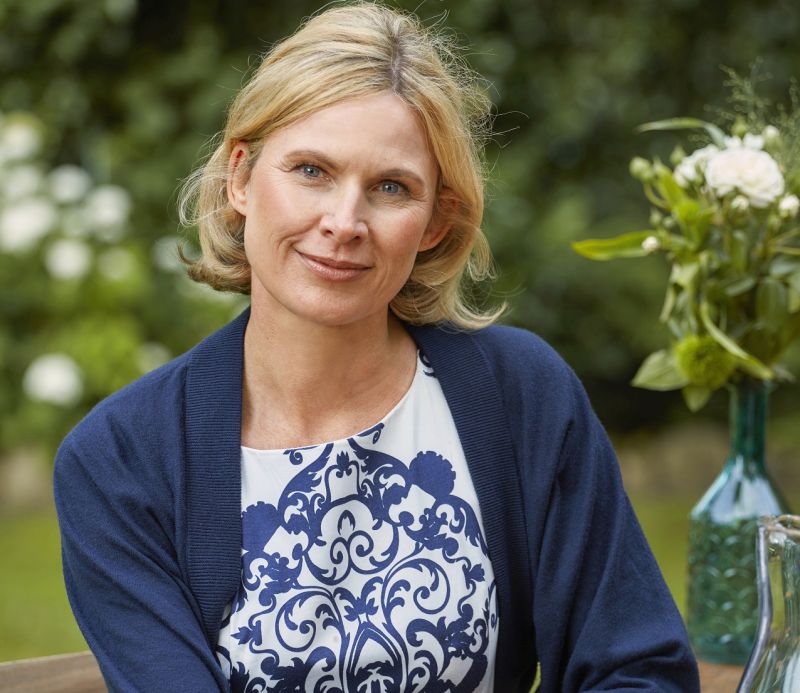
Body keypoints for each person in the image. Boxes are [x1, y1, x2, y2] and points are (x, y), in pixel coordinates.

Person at [54, 2, 700, 691]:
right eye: (311, 170)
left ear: (434, 220)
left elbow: (640, 668)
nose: (344, 221)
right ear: (241, 178)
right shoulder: (118, 462)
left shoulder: (522, 395)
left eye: (391, 187)